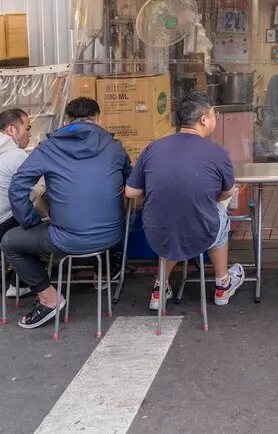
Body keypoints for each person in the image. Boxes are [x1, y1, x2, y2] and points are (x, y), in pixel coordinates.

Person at [1, 97, 130, 329]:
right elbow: (131, 187)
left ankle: (49, 298)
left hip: (65, 239)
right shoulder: (115, 147)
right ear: (97, 119)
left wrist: (30, 221)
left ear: (66, 120)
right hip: (112, 237)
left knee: (10, 241)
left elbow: (18, 185)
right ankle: (106, 269)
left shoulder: (48, 149)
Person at [125, 93, 245, 310]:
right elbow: (228, 192)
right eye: (213, 115)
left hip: (157, 228)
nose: (215, 119)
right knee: (219, 214)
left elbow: (131, 192)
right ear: (204, 120)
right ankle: (222, 285)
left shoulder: (153, 148)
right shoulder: (216, 152)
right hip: (201, 228)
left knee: (172, 222)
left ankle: (159, 289)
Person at [0, 109, 32, 297]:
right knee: (41, 225)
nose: (29, 133)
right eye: (27, 128)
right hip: (3, 224)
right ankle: (21, 282)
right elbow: (36, 190)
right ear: (12, 130)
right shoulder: (16, 156)